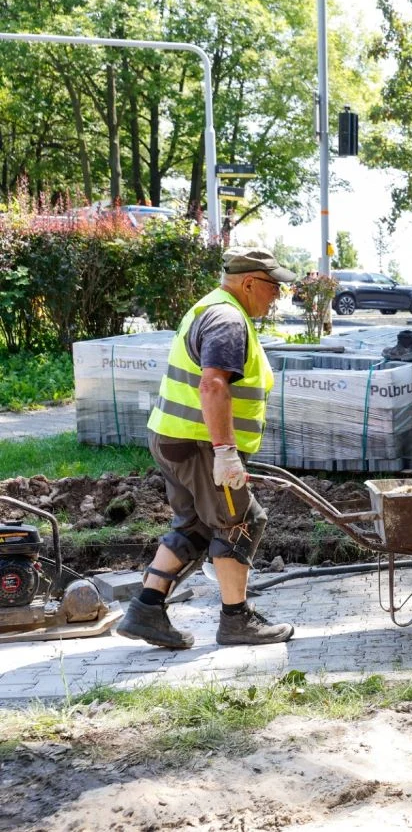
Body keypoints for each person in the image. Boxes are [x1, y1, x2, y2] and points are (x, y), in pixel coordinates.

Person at [116, 248, 297, 649]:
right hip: (200, 444)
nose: (277, 296)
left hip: (175, 437)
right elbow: (213, 385)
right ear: (249, 282)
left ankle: (145, 610)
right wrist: (225, 451)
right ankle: (236, 621)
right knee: (240, 521)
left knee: (195, 524)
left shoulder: (210, 308)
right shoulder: (229, 319)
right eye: (273, 287)